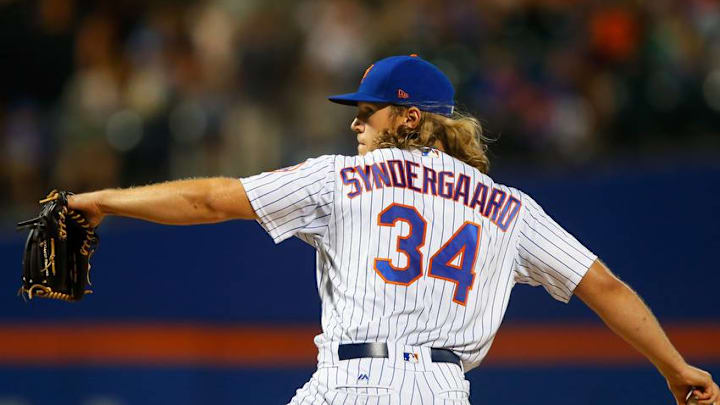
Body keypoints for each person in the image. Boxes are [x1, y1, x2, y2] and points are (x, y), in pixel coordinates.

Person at [68, 55, 718, 405]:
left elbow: (211, 199)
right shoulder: (508, 206)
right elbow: (601, 283)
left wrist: (106, 199)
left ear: (409, 119)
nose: (356, 124)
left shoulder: (341, 180)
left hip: (357, 384)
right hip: (432, 390)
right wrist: (674, 366)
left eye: (368, 112)